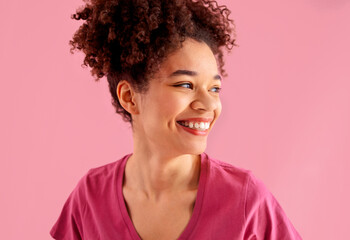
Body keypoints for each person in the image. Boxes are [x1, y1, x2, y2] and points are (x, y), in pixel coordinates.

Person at [50, 0, 302, 239]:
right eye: (185, 84)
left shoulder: (246, 200)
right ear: (129, 97)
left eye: (214, 88)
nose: (208, 105)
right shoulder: (90, 199)